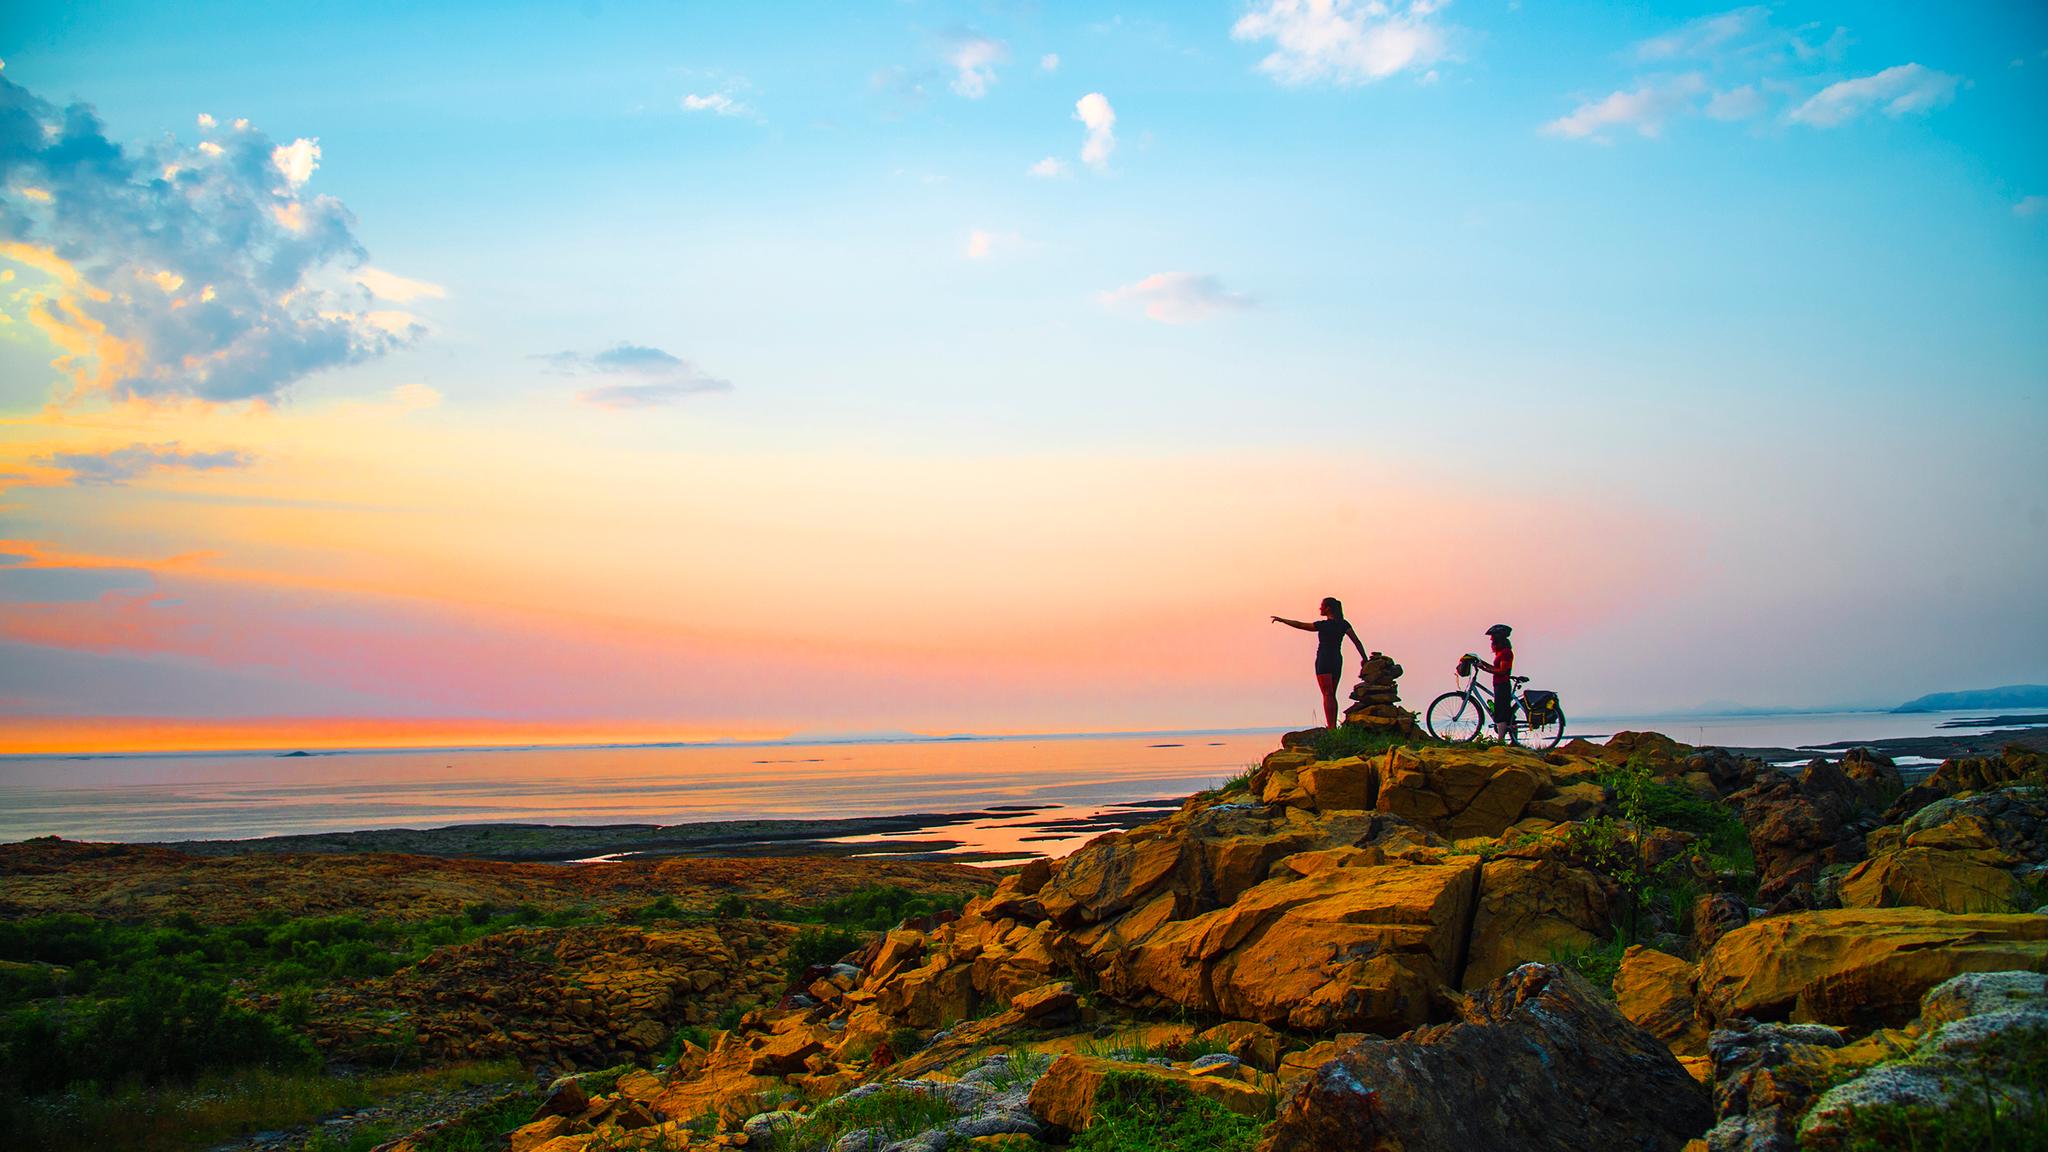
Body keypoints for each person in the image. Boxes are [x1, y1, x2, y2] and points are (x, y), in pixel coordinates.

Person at [1271, 597, 1368, 728]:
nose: (1320, 608)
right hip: (1336, 659)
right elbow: (1357, 641)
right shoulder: (1343, 624)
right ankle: (1332, 725)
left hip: (1324, 659)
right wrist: (1364, 658)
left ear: (1328, 608)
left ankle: (1331, 727)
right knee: (1332, 694)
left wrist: (1283, 620)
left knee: (1327, 694)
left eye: (1322, 606)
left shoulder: (1323, 625)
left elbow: (1301, 625)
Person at [1469, 623, 1515, 738]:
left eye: (1493, 638)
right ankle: (1512, 740)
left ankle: (1500, 741)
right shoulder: (1501, 653)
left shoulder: (1506, 652)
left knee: (1501, 714)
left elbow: (1502, 671)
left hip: (1502, 684)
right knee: (1505, 712)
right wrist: (1482, 663)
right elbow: (1496, 668)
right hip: (1499, 684)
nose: (1491, 640)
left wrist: (1484, 669)